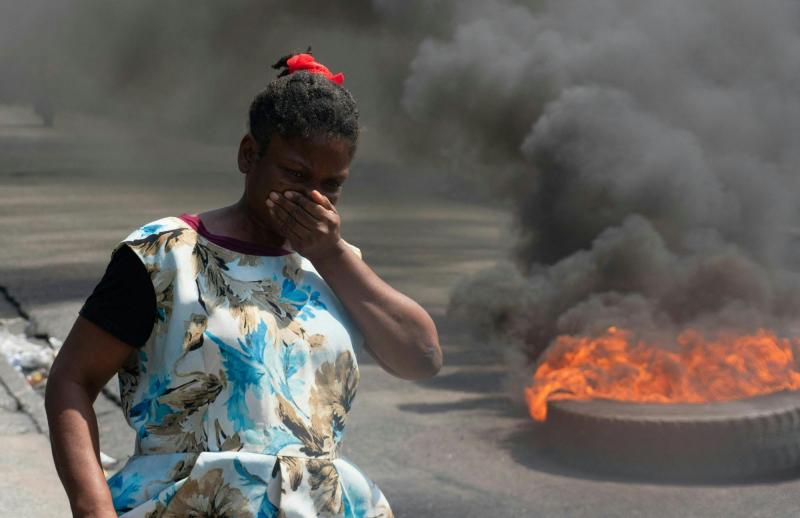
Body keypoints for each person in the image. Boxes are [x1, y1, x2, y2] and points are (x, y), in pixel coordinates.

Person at [45, 51, 442, 517]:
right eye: (295, 174)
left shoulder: (337, 267)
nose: (313, 196)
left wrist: (330, 254)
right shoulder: (165, 255)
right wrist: (93, 508)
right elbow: (72, 379)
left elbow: (423, 358)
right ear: (249, 155)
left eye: (331, 184)